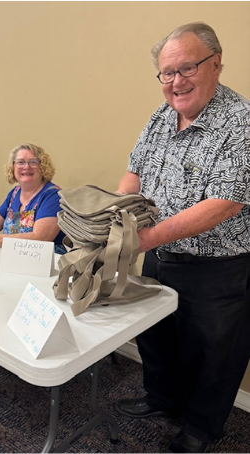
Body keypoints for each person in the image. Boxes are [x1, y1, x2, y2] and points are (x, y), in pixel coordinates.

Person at [115, 22, 250, 454]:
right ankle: (162, 400)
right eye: (167, 73)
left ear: (216, 63)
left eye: (187, 67)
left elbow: (225, 203)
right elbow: (134, 171)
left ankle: (200, 429)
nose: (176, 82)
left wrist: (144, 238)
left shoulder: (242, 121)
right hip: (158, 255)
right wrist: (116, 216)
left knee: (215, 356)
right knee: (155, 336)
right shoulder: (161, 115)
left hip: (219, 268)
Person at [0, 142, 66, 254]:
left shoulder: (53, 196)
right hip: (13, 258)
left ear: (42, 167)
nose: (26, 167)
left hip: (46, 263)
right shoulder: (15, 193)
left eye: (33, 162)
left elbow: (40, 238)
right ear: (13, 167)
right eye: (20, 162)